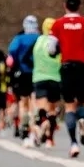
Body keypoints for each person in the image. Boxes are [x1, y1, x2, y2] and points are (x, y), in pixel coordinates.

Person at [52, 0, 84, 157]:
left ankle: (74, 144)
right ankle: (83, 120)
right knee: (83, 100)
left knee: (69, 106)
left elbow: (51, 48)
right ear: (79, 6)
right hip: (83, 66)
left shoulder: (58, 24)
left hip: (67, 66)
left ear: (65, 6)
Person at [30, 17, 62, 147]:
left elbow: (29, 57)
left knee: (42, 108)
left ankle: (42, 124)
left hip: (39, 77)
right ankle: (50, 139)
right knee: (53, 110)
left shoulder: (38, 41)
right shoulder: (57, 41)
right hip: (55, 77)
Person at [8, 16, 41, 138]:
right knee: (34, 99)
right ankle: (34, 124)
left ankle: (24, 123)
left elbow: (11, 59)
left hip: (22, 73)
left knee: (23, 101)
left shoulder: (18, 39)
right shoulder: (40, 38)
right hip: (37, 73)